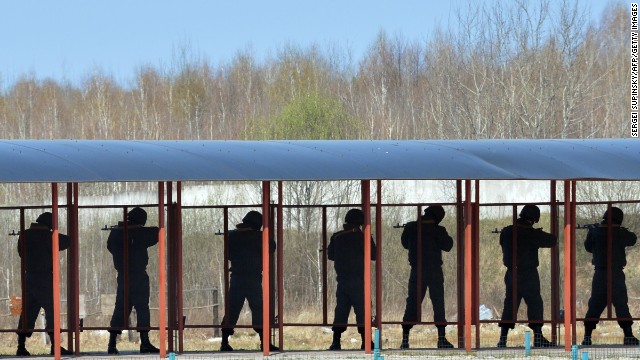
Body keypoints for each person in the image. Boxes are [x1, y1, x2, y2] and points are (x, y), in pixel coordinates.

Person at [497, 205, 557, 348]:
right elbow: (552, 240)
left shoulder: (506, 231)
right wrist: (536, 233)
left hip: (511, 273)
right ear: (534, 218)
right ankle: (538, 337)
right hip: (529, 274)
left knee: (510, 305)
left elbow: (503, 243)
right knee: (535, 304)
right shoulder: (531, 233)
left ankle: (502, 339)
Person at [220, 210, 278, 352]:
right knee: (259, 310)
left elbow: (228, 255)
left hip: (237, 278)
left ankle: (224, 343)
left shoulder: (232, 236)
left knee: (232, 310)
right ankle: (265, 343)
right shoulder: (259, 237)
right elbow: (272, 247)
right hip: (253, 278)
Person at [16, 212, 72, 356]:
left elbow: (20, 253)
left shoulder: (25, 234)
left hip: (29, 278)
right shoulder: (49, 236)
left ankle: (21, 346)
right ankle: (55, 346)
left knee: (27, 311)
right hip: (45, 279)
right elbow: (67, 241)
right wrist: (54, 232)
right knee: (52, 311)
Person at [581, 207, 639, 346]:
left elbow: (588, 247)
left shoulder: (595, 232)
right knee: (621, 305)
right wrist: (618, 230)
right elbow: (633, 239)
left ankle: (587, 337)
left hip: (600, 274)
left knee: (595, 305)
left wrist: (593, 231)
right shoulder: (620, 233)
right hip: (616, 274)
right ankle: (628, 336)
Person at [400, 205, 454, 349]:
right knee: (438, 303)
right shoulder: (438, 230)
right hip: (434, 270)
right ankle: (441, 339)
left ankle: (405, 340)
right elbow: (448, 245)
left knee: (412, 302)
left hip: (417, 270)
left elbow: (405, 244)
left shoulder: (411, 227)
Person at [107, 207, 160, 354]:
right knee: (142, 308)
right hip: (138, 275)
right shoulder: (140, 233)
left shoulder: (115, 232)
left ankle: (111, 344)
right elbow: (157, 232)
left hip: (123, 276)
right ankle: (145, 343)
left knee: (120, 308)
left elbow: (110, 247)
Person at [327, 208, 377, 351]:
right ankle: (366, 342)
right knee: (363, 311)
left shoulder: (337, 236)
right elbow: (373, 255)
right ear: (360, 222)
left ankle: (336, 342)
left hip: (342, 281)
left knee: (341, 311)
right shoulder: (363, 237)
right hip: (360, 281)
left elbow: (330, 256)